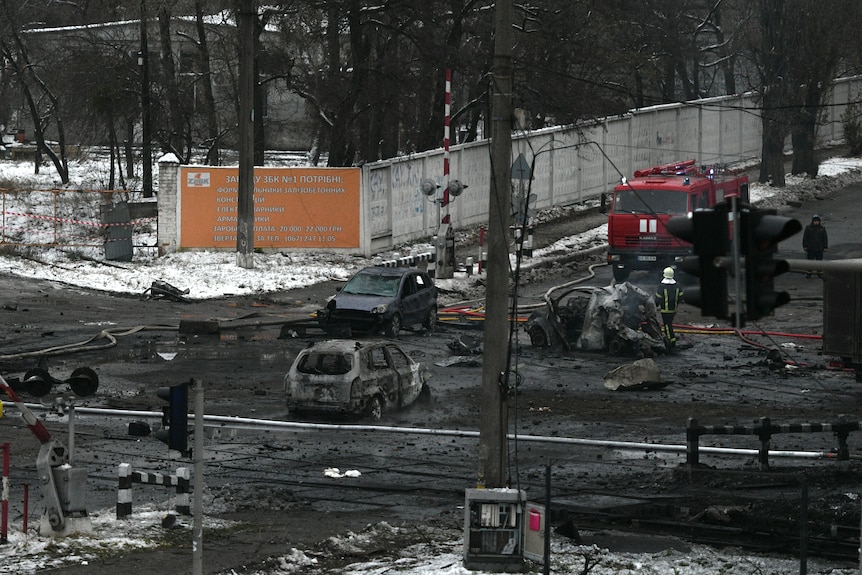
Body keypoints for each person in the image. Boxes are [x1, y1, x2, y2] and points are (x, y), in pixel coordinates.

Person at [655, 266, 684, 349]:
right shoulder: (678, 285)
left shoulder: (661, 286)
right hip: (673, 310)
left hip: (665, 310)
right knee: (669, 324)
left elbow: (657, 299)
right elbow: (681, 298)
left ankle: (671, 342)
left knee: (667, 326)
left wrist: (654, 307)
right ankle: (671, 340)